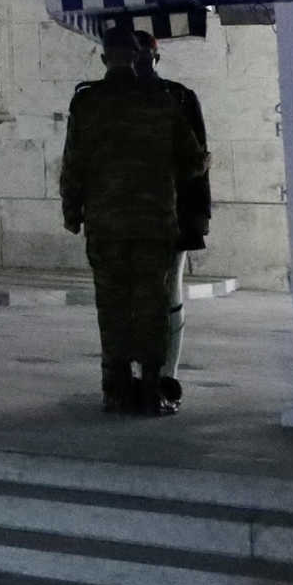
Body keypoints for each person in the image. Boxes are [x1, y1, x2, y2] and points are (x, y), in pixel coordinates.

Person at [59, 26, 210, 415]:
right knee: (151, 305)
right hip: (152, 224)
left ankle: (115, 389)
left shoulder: (87, 103)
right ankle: (149, 391)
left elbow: (73, 164)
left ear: (105, 57)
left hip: (105, 224)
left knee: (110, 306)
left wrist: (72, 213)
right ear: (139, 57)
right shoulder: (161, 101)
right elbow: (193, 162)